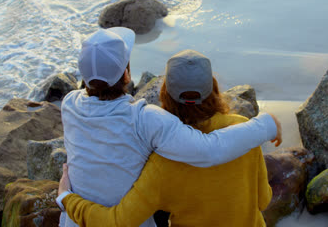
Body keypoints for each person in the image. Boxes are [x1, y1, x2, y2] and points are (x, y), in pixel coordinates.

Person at [58, 28, 281, 227]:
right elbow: (260, 197)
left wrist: (65, 198)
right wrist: (266, 125)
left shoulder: (68, 104)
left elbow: (119, 220)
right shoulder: (242, 131)